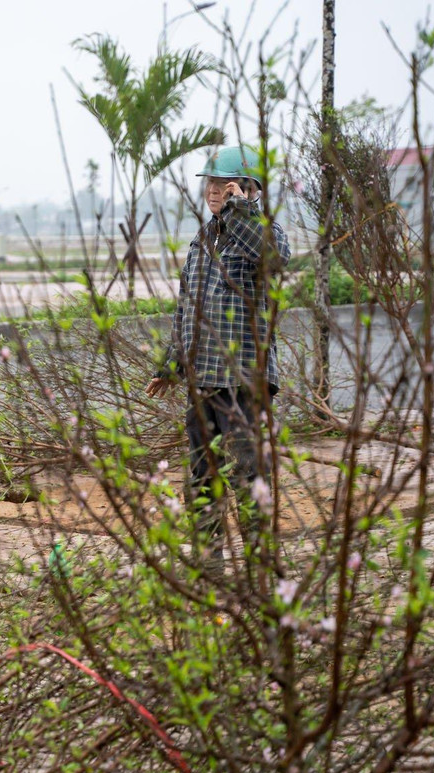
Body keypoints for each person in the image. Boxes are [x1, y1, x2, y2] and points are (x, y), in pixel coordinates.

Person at [146, 145, 291, 568]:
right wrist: (171, 363)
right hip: (202, 380)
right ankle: (211, 571)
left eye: (222, 184)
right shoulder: (202, 239)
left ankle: (263, 573)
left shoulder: (265, 231)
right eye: (210, 183)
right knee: (202, 478)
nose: (212, 191)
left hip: (242, 380)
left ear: (248, 189)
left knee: (247, 477)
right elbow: (188, 309)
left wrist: (241, 211)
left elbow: (274, 259)